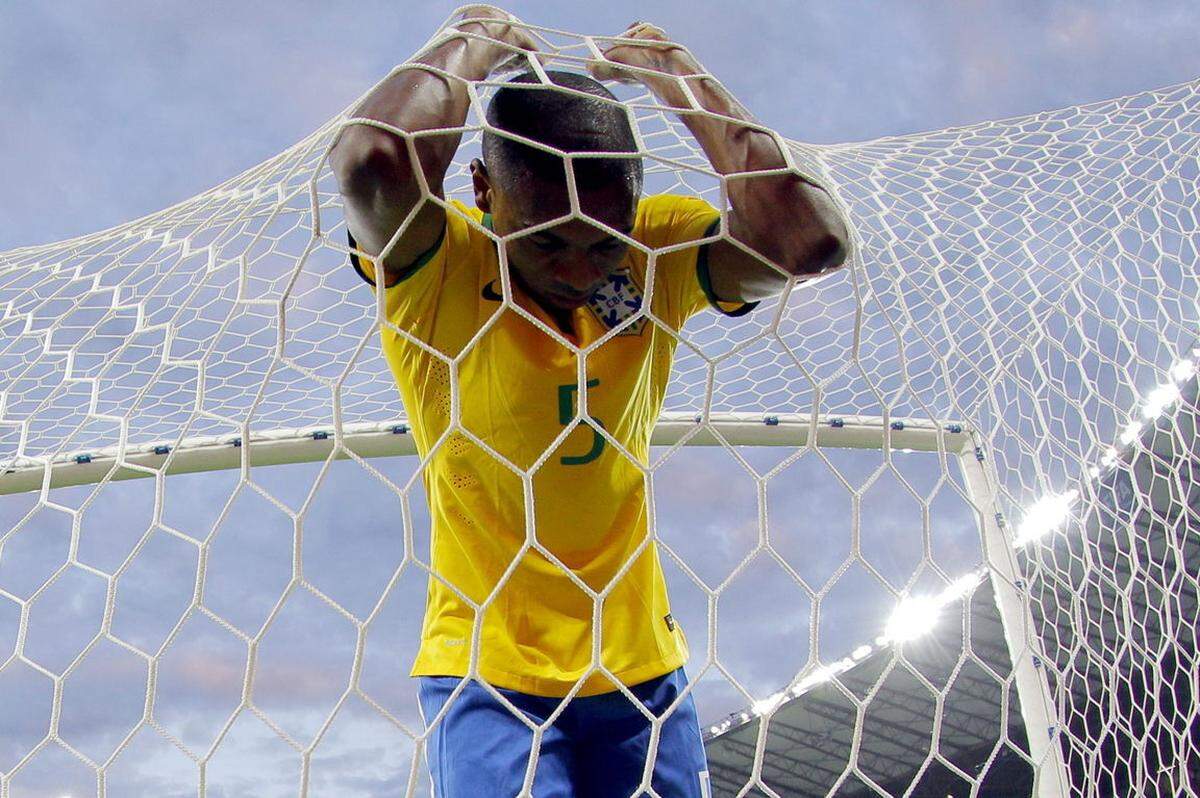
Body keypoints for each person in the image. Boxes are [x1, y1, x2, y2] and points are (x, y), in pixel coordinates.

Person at [331, 6, 849, 796]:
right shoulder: (434, 265)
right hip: (488, 670)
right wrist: (477, 40)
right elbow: (371, 159)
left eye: (602, 243)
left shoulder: (658, 257)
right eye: (545, 240)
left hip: (641, 665)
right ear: (481, 189)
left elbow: (809, 240)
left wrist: (670, 71)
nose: (578, 271)